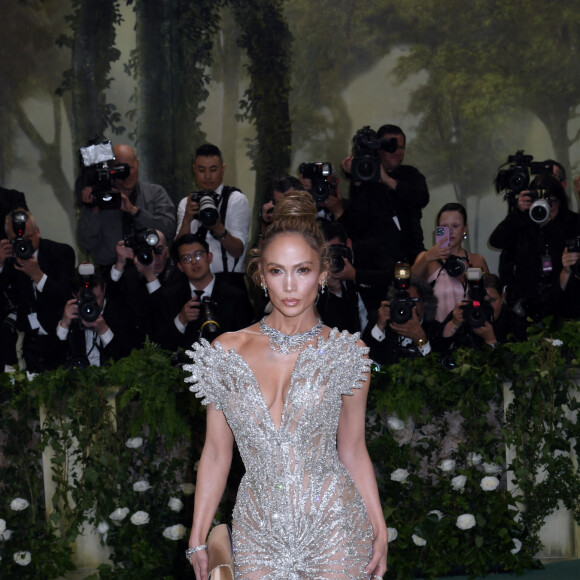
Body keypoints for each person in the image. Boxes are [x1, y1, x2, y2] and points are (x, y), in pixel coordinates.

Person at [184, 191, 388, 579]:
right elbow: (214, 453)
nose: (290, 286)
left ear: (323, 274)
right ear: (261, 275)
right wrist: (197, 537)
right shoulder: (226, 351)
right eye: (277, 271)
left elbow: (354, 449)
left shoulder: (345, 352)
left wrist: (379, 530)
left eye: (303, 270)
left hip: (334, 522)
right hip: (257, 528)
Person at [489, 174, 579, 338]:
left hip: (565, 306)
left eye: (550, 201)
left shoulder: (571, 222)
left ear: (559, 200)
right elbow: (496, 240)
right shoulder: (522, 223)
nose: (545, 206)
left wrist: (549, 225)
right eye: (538, 200)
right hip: (527, 311)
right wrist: (518, 212)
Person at [339, 123, 429, 264]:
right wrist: (357, 181)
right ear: (378, 148)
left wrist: (388, 180)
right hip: (378, 263)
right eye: (391, 147)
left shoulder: (410, 174)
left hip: (412, 257)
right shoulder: (366, 182)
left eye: (401, 147)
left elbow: (421, 198)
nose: (397, 152)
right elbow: (357, 222)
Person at [149, 234, 254, 352]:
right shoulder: (168, 297)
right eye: (187, 258)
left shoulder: (236, 297)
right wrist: (181, 319)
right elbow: (159, 345)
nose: (194, 261)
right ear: (180, 266)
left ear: (209, 257)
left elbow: (247, 342)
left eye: (198, 255)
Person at [0, 209, 75, 372]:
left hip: (60, 339)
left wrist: (38, 275)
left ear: (38, 232)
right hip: (29, 343)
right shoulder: (9, 261)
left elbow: (65, 296)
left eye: (28, 239)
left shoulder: (61, 253)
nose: (23, 245)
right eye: (17, 240)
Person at [77, 144, 176, 266]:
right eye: (119, 170)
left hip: (151, 269)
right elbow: (86, 244)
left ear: (138, 164)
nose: (127, 175)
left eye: (129, 168)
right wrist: (94, 211)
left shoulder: (155, 193)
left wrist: (135, 211)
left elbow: (169, 230)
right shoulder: (99, 198)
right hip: (112, 273)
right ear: (110, 170)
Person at [175, 144, 251, 290]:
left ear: (222, 169)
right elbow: (178, 251)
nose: (208, 176)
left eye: (213, 169)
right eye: (201, 170)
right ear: (194, 170)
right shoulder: (187, 203)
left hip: (229, 281)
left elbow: (237, 251)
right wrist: (187, 219)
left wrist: (217, 227)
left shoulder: (236, 200)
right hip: (192, 283)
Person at [412, 202, 489, 322]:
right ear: (437, 229)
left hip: (471, 328)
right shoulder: (426, 258)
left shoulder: (477, 260)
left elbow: (488, 297)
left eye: (455, 226)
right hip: (436, 333)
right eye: (444, 226)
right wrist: (427, 257)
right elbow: (409, 286)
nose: (450, 231)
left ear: (465, 229)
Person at [362, 276, 443, 365]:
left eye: (414, 300)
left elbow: (436, 369)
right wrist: (380, 327)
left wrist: (420, 340)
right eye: (403, 301)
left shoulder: (436, 329)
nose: (410, 306)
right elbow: (366, 358)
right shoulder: (384, 324)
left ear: (425, 303)